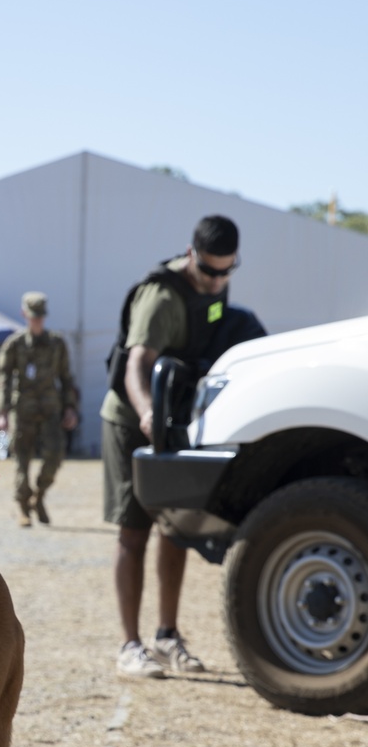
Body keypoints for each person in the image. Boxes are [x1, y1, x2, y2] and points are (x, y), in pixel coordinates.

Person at [100, 215, 240, 678]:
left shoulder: (214, 290)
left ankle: (166, 636)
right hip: (131, 418)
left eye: (227, 271)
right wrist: (146, 414)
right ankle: (129, 645)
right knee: (133, 531)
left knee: (175, 528)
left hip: (175, 419)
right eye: (210, 270)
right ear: (190, 253)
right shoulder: (161, 296)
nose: (218, 280)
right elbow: (135, 365)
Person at [0, 292, 79, 526]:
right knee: (22, 459)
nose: (37, 321)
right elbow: (3, 379)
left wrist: (70, 408)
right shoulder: (14, 344)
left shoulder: (57, 343)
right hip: (22, 409)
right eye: (33, 317)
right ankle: (23, 506)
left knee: (55, 454)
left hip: (51, 407)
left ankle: (39, 496)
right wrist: (3, 412)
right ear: (24, 315)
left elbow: (66, 377)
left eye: (40, 317)